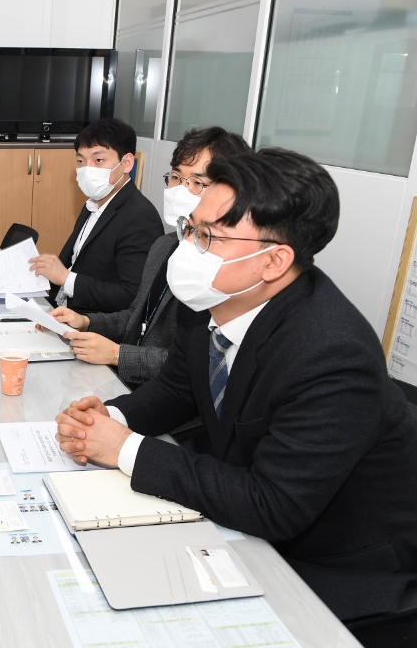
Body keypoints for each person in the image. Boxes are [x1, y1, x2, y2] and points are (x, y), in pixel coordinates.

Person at [54, 148, 417, 622]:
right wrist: (110, 417)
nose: (188, 251)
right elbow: (178, 389)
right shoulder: (211, 298)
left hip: (334, 562)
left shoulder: (331, 353)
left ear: (274, 261)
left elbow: (274, 505)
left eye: (209, 238)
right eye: (190, 229)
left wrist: (124, 449)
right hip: (248, 518)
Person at [50, 127, 250, 387]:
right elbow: (136, 317)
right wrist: (87, 321)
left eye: (198, 182)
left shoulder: (230, 267)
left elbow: (198, 363)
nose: (181, 190)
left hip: (172, 400)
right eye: (177, 177)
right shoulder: (165, 246)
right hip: (130, 381)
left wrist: (117, 354)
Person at [29, 118, 162, 315]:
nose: (87, 169)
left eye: (98, 160)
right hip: (59, 311)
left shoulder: (140, 216)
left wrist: (66, 278)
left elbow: (131, 296)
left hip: (94, 330)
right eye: (81, 161)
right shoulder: (94, 202)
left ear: (126, 163)